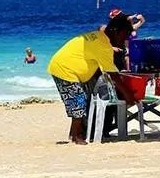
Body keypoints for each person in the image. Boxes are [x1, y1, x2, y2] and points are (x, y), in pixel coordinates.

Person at [47, 15, 137, 145]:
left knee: (79, 101)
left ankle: (74, 133)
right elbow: (113, 75)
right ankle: (76, 136)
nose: (126, 39)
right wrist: (128, 94)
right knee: (79, 101)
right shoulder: (104, 46)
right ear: (115, 32)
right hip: (65, 69)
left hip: (64, 66)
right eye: (125, 35)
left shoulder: (99, 36)